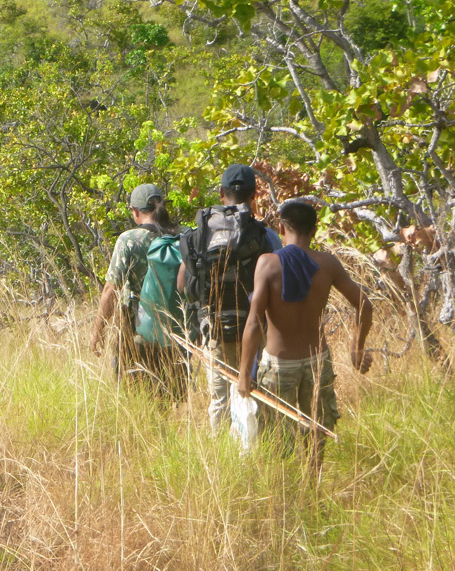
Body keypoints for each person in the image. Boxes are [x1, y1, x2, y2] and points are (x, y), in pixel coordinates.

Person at [236, 198, 374, 466]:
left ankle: (287, 497)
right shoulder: (328, 264)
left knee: (278, 441)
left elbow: (253, 323)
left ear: (281, 227)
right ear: (314, 230)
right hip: (317, 362)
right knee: (316, 437)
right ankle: (313, 488)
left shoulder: (267, 263)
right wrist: (357, 348)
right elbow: (364, 305)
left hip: (278, 365)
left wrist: (243, 375)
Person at [177, 164, 281, 430]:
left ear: (221, 193)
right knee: (255, 394)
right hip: (254, 329)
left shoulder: (201, 234)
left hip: (213, 328)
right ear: (254, 195)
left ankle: (219, 455)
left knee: (219, 400)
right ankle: (257, 448)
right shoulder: (266, 236)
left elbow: (182, 285)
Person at [92, 183, 186, 397]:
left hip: (137, 331)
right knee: (172, 398)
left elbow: (111, 290)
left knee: (134, 396)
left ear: (135, 211)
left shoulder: (129, 240)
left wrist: (98, 331)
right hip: (176, 330)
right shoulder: (181, 237)